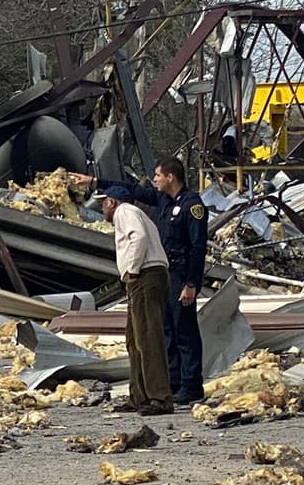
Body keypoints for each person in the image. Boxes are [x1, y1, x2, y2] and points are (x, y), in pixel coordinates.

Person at [72, 157, 208, 403]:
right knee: (165, 329)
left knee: (184, 329)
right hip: (166, 275)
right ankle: (173, 381)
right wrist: (94, 181)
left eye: (158, 175)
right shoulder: (163, 200)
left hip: (181, 273)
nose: (154, 180)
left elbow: (198, 248)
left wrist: (191, 284)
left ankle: (191, 385)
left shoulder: (192, 206)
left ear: (170, 177)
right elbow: (132, 190)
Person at [94, 185, 174, 416]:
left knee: (148, 337)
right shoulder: (136, 214)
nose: (102, 209)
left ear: (112, 202)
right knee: (134, 339)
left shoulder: (124, 211)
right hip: (148, 275)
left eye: (103, 203)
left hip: (145, 275)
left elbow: (138, 237)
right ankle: (139, 396)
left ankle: (160, 398)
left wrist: (132, 270)